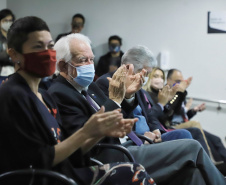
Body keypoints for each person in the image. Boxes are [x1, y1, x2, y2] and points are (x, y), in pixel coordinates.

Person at [48, 33, 226, 185]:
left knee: (191, 173)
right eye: (83, 60)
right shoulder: (61, 93)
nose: (90, 65)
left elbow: (138, 116)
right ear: (64, 66)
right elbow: (87, 137)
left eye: (91, 59)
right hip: (112, 155)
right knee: (191, 146)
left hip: (131, 143)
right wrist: (118, 99)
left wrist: (126, 98)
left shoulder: (87, 89)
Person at [0, 16, 156, 185]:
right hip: (49, 179)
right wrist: (87, 132)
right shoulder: (12, 94)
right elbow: (38, 160)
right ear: (14, 54)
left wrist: (99, 131)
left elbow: (71, 151)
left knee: (134, 170)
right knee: (133, 173)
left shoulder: (44, 96)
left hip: (68, 171)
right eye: (38, 47)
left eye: (50, 46)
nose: (47, 53)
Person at [96, 48, 193, 143]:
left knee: (188, 134)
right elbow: (114, 119)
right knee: (185, 135)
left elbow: (150, 115)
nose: (146, 78)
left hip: (151, 136)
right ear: (128, 68)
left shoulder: (139, 87)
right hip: (135, 140)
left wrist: (156, 130)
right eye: (145, 73)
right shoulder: (107, 83)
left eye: (148, 74)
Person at [166, 68, 226, 164]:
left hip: (182, 124)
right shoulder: (167, 93)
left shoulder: (180, 95)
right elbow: (170, 111)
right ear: (168, 81)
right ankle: (209, 161)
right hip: (171, 126)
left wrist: (194, 111)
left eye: (182, 81)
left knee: (216, 139)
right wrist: (179, 93)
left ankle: (221, 167)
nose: (181, 83)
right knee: (196, 125)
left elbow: (181, 116)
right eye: (177, 81)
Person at [0, 9, 15, 81]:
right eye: (5, 21)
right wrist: (7, 52)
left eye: (10, 20)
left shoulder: (15, 36)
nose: (8, 23)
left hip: (14, 73)